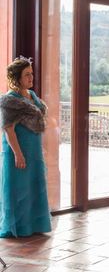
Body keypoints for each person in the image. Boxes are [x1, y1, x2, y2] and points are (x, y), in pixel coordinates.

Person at [0, 57, 52, 238]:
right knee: (19, 188)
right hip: (18, 150)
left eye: (32, 74)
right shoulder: (10, 99)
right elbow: (8, 129)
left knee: (34, 185)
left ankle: (34, 225)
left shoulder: (32, 95)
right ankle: (20, 228)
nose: (31, 78)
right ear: (17, 77)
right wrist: (18, 155)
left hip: (34, 149)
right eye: (27, 75)